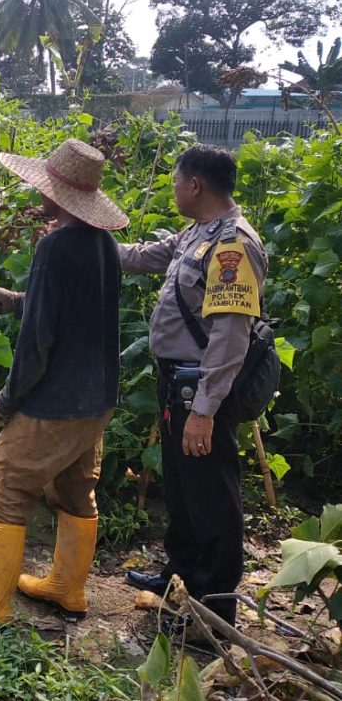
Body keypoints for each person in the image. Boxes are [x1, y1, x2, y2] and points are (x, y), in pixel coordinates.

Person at [0, 139, 127, 627]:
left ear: (58, 194)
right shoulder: (102, 244)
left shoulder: (54, 245)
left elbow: (39, 339)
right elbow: (75, 309)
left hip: (55, 400)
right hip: (97, 397)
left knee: (4, 483)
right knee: (75, 486)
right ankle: (68, 588)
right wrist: (18, 298)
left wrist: (8, 398)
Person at [122, 144, 267, 629]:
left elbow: (229, 335)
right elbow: (144, 256)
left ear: (195, 185)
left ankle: (214, 612)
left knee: (212, 499)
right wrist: (85, 238)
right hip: (178, 384)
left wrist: (204, 411)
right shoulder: (197, 234)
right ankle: (179, 572)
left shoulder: (232, 246)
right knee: (183, 488)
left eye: (175, 181)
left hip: (203, 390)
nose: (173, 189)